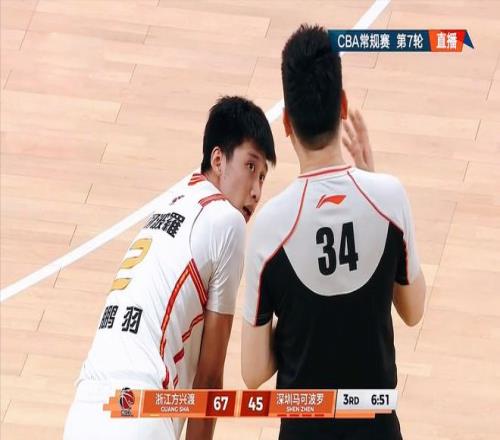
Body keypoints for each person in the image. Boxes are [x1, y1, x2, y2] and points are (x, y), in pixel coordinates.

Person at [241, 24, 426, 439]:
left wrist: (299, 323)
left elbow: (253, 372)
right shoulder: (389, 198)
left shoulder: (270, 227)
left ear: (286, 123)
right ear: (342, 105)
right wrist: (370, 178)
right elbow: (413, 310)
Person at [64, 96, 276, 440]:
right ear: (218, 159)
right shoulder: (227, 221)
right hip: (141, 413)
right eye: (251, 167)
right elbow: (209, 381)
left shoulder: (170, 202)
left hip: (84, 412)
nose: (256, 191)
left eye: (263, 177)